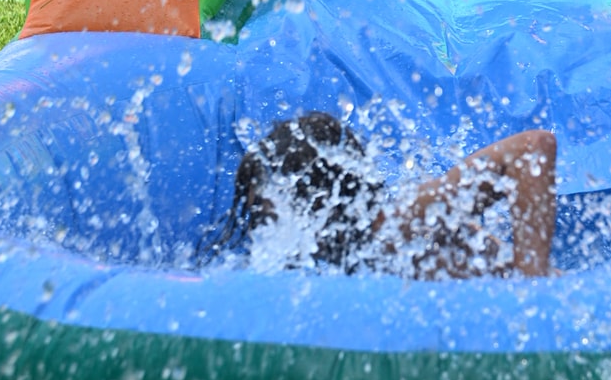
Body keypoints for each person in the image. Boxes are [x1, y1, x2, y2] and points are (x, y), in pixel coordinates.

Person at [204, 110, 556, 278]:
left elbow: (533, 147)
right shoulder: (314, 259)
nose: (258, 210)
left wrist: (532, 280)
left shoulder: (398, 223)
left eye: (266, 197)